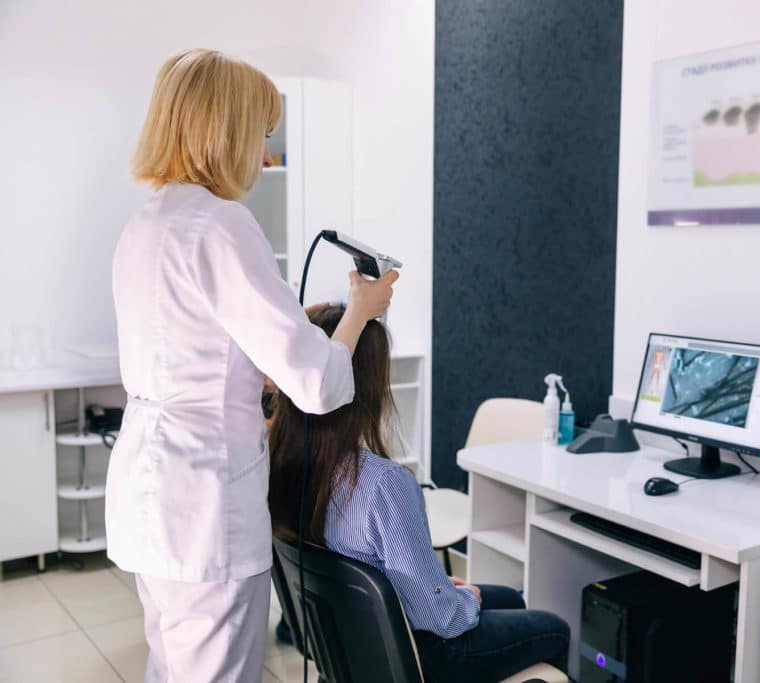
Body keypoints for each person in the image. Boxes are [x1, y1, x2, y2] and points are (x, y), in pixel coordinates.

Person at [107, 49, 398, 682]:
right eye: (261, 134)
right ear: (226, 128)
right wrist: (360, 312)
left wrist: (279, 335)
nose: (264, 158)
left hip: (147, 496)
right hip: (204, 506)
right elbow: (318, 385)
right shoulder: (221, 224)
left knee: (171, 665)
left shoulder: (146, 225)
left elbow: (188, 348)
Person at [268, 306, 570, 683]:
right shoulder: (384, 483)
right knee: (554, 628)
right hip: (421, 657)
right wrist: (461, 599)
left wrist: (443, 589)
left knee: (510, 599)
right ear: (367, 387)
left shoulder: (280, 465)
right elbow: (439, 618)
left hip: (355, 647)